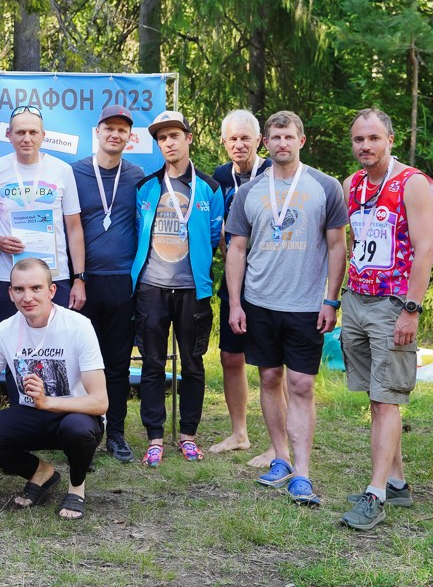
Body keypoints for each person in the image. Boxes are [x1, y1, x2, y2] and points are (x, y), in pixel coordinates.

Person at [225, 110, 347, 505]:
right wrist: (235, 303)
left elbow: (336, 246)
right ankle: (280, 458)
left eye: (288, 137)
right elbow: (237, 250)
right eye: (275, 137)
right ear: (267, 143)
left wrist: (331, 298)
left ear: (301, 141)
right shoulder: (249, 193)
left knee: (302, 385)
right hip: (260, 302)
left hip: (305, 305)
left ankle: (304, 472)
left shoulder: (325, 187)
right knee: (270, 379)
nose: (281, 144)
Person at [338, 109, 433, 530]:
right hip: (357, 299)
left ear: (390, 139)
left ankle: (375, 494)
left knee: (386, 399)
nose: (365, 146)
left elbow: (425, 247)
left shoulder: (411, 183)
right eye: (359, 139)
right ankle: (395, 482)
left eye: (374, 138)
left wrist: (411, 308)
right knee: (376, 397)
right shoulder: (352, 185)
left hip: (393, 304)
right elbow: (354, 242)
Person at [0, 258, 108, 520]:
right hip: (32, 412)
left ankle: (77, 487)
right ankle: (41, 472)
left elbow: (100, 402)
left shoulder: (78, 326)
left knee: (78, 430)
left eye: (36, 288)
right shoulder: (4, 330)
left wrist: (48, 402)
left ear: (51, 291)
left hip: (76, 413)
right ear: (10, 293)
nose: (27, 297)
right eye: (19, 289)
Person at [130, 110, 224, 467]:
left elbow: (214, 236)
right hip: (151, 287)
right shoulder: (146, 187)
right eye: (161, 138)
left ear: (188, 138)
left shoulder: (210, 188)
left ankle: (188, 435)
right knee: (152, 364)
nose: (168, 143)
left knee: (193, 363)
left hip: (192, 290)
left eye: (174, 136)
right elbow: (140, 231)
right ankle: (154, 436)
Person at [73, 105, 145, 462]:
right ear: (97, 132)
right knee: (80, 362)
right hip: (83, 284)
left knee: (117, 362)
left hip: (123, 282)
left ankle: (115, 432)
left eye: (122, 130)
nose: (115, 135)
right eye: (109, 129)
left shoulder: (138, 176)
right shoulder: (75, 173)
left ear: (129, 138)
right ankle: (83, 431)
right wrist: (77, 277)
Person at [209, 109, 275, 463]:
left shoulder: (274, 172)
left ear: (258, 140)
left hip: (270, 282)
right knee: (231, 357)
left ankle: (276, 444)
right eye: (232, 138)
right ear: (223, 142)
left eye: (245, 138)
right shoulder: (220, 177)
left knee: (270, 366)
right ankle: (239, 434)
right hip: (234, 281)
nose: (238, 144)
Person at [0, 105, 86, 323]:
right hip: (9, 277)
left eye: (33, 132)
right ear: (9, 135)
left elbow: (74, 228)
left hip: (54, 277)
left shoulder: (62, 170)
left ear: (43, 135)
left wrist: (79, 279)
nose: (27, 138)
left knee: (58, 346)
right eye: (20, 132)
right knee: (13, 346)